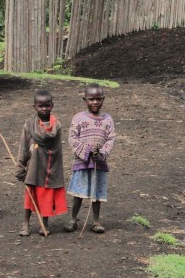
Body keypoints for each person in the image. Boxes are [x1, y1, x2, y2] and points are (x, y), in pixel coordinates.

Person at [17, 89, 68, 236]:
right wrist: (20, 167)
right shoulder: (29, 125)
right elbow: (24, 147)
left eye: (47, 105)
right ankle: (25, 223)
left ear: (52, 105)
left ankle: (44, 224)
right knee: (30, 194)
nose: (44, 108)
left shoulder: (56, 126)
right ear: (34, 107)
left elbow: (56, 148)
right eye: (40, 106)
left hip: (50, 166)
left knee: (45, 195)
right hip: (33, 166)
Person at [66, 86, 116, 234]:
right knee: (78, 192)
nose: (95, 102)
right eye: (91, 99)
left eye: (98, 99)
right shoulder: (78, 118)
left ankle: (96, 221)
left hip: (99, 162)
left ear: (103, 99)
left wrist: (101, 153)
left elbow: (111, 138)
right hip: (82, 161)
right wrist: (86, 151)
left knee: (97, 193)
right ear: (85, 100)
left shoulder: (108, 119)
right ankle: (73, 219)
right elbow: (72, 137)